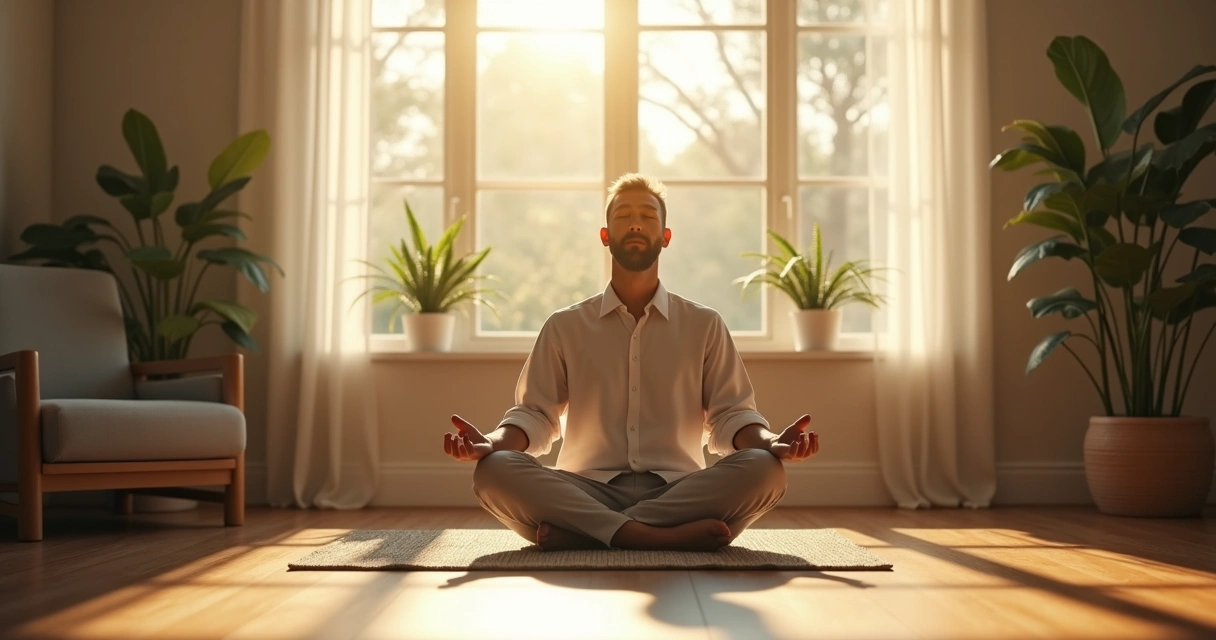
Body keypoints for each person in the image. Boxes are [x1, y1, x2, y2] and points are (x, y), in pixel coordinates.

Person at [441, 173, 819, 552]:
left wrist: (771, 442)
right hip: (586, 489)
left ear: (665, 237)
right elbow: (535, 416)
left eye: (648, 216)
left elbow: (730, 416)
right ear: (605, 236)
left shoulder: (704, 324)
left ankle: (585, 534)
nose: (636, 223)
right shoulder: (565, 325)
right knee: (494, 470)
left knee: (765, 469)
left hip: (679, 490)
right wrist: (491, 442)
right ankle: (653, 536)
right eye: (623, 216)